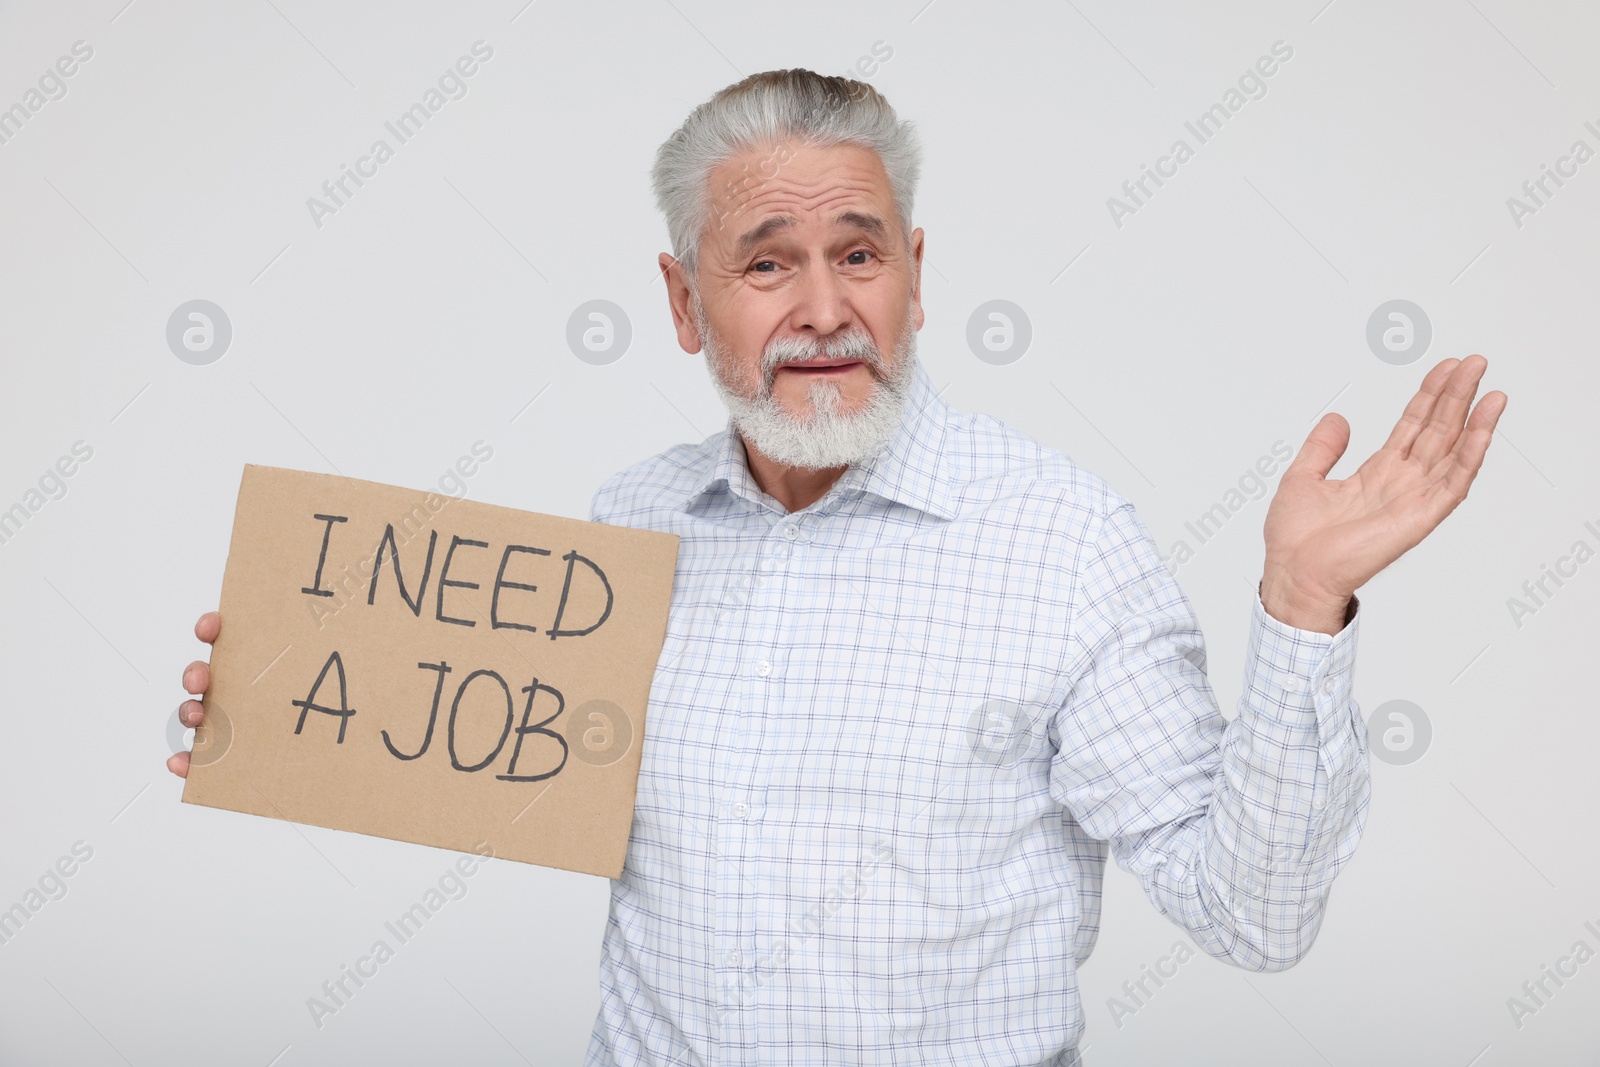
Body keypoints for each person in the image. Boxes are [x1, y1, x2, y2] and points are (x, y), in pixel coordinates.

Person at [169, 69, 1507, 1065]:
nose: (822, 310)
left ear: (915, 277)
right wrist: (299, 700)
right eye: (766, 263)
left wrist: (1302, 608)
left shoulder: (1065, 543)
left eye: (858, 254)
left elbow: (1253, 917)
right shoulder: (624, 527)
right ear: (686, 299)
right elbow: (527, 768)